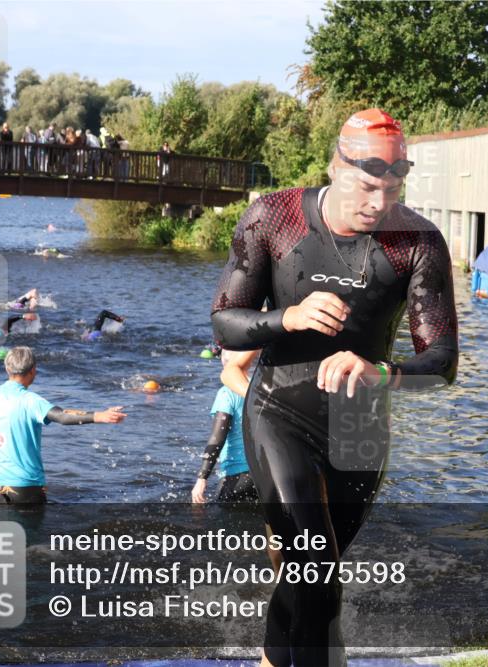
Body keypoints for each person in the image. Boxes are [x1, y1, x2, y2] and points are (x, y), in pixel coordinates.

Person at [210, 108, 458, 666]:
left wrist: (382, 372)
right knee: (316, 570)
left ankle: (271, 660)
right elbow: (225, 323)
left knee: (309, 575)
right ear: (335, 167)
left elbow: (442, 362)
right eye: (367, 186)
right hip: (279, 412)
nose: (379, 202)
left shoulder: (417, 241)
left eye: (392, 189)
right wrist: (288, 318)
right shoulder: (273, 217)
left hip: (359, 429)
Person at [0, 346, 126, 504]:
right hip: (26, 485)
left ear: (7, 368)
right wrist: (99, 416)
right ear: (33, 370)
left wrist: (4, 452)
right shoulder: (31, 401)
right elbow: (62, 416)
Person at [192, 350, 260, 504]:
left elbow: (217, 438)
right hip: (265, 476)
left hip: (237, 479)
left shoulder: (226, 393)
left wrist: (202, 478)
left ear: (224, 364)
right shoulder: (260, 389)